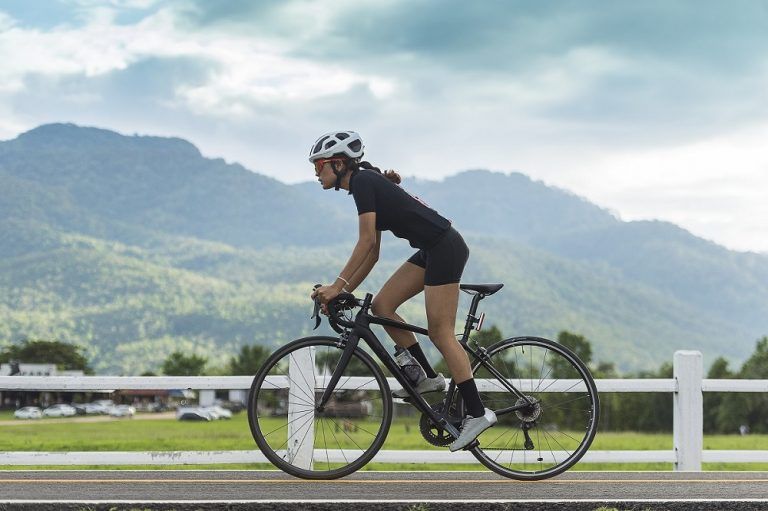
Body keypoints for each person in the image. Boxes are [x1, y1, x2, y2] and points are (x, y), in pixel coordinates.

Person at [309, 130, 496, 451]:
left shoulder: (364, 183)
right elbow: (373, 253)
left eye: (319, 166)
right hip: (432, 249)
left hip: (445, 248)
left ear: (338, 164)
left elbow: (365, 242)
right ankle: (426, 378)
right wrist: (341, 291)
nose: (316, 173)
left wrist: (337, 286)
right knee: (383, 305)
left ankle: (477, 413)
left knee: (441, 334)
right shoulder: (366, 181)